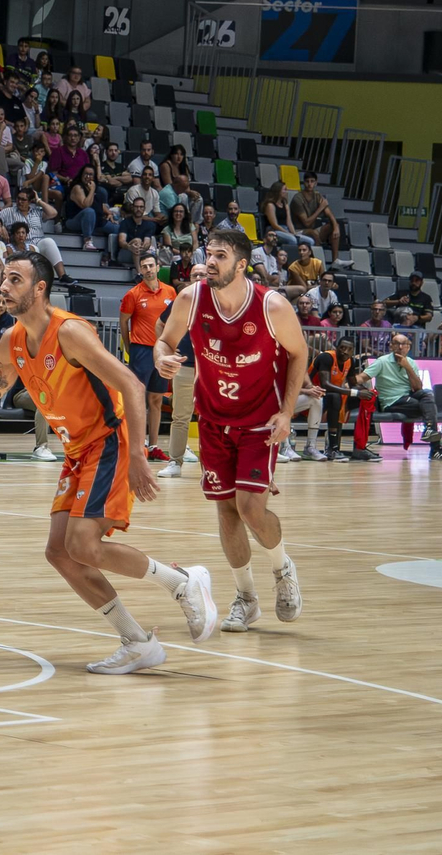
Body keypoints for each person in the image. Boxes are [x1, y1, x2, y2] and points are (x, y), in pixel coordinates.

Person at [0, 251, 216, 673]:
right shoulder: (11, 341)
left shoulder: (70, 332)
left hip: (109, 441)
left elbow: (131, 384)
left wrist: (137, 456)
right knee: (59, 552)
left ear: (39, 288)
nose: (3, 286)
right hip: (76, 450)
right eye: (4, 278)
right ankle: (137, 642)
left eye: (15, 280)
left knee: (83, 545)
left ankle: (183, 583)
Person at [156, 229, 309, 633]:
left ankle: (283, 569)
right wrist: (161, 358)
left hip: (261, 421)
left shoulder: (271, 306)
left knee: (250, 509)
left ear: (242, 265)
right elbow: (164, 342)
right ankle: (246, 598)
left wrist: (287, 412)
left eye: (220, 256)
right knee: (226, 511)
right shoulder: (191, 299)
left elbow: (299, 353)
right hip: (213, 420)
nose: (210, 261)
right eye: (208, 253)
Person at [355, 332, 442, 461]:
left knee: (427, 393)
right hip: (391, 401)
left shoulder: (411, 362)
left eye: (404, 344)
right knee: (428, 408)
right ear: (391, 346)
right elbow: (362, 377)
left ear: (409, 347)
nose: (400, 347)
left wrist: (407, 367)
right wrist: (347, 383)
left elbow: (417, 388)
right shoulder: (382, 361)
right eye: (397, 344)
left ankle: (430, 430)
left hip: (408, 396)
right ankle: (436, 450)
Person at [120, 256, 176, 462]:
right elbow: (123, 322)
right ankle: (137, 444)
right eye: (144, 267)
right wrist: (129, 347)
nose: (148, 269)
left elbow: (175, 320)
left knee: (156, 399)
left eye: (151, 265)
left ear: (158, 267)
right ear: (140, 270)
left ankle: (153, 446)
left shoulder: (170, 292)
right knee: (137, 398)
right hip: (141, 351)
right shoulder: (132, 294)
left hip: (162, 351)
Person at [155, 262, 206, 479]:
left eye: (202, 274)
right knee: (180, 417)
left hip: (211, 368)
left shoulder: (219, 301)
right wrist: (167, 349)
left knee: (213, 419)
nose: (199, 278)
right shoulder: (183, 300)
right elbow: (160, 324)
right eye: (195, 275)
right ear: (189, 278)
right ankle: (175, 462)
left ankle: (212, 466)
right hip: (184, 366)